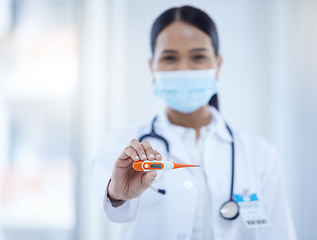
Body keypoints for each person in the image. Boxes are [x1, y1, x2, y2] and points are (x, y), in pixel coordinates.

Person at [91, 5, 296, 240]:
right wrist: (117, 192)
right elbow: (108, 183)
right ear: (152, 67)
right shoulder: (122, 145)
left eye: (198, 57)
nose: (184, 68)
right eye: (170, 58)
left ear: (218, 65)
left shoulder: (260, 154)